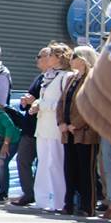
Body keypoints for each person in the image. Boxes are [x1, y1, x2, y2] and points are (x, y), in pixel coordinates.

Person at [57, 46, 100, 217]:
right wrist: (61, 122)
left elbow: (91, 106)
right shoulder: (72, 78)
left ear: (83, 58)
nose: (71, 59)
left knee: (85, 170)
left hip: (85, 132)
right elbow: (61, 102)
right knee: (70, 168)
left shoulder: (92, 79)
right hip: (68, 131)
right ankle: (69, 204)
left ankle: (87, 206)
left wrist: (76, 124)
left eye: (74, 56)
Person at [31, 42, 73, 212]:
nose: (47, 58)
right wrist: (36, 103)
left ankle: (59, 201)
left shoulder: (66, 76)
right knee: (43, 163)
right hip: (42, 126)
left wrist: (43, 105)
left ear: (59, 58)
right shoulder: (48, 76)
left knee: (55, 164)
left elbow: (64, 103)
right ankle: (41, 199)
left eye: (51, 55)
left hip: (55, 127)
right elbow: (45, 98)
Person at [11, 48, 47, 206]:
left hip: (44, 127)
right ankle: (29, 192)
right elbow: (29, 98)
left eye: (40, 56)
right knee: (23, 160)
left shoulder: (56, 78)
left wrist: (34, 101)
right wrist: (25, 101)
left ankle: (43, 194)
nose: (36, 59)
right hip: (30, 127)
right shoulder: (40, 78)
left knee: (44, 163)